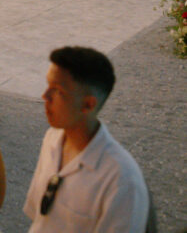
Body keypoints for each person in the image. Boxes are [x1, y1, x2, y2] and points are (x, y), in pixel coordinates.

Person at [24, 46, 149, 231]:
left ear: (88, 104)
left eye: (57, 90)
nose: (45, 96)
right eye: (47, 85)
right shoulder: (53, 139)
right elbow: (38, 215)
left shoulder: (121, 180)